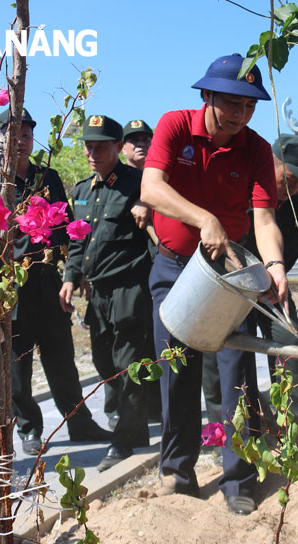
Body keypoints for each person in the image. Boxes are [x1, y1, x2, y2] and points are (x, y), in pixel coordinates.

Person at [140, 53, 288, 516]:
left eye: (250, 106)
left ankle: (237, 478)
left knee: (235, 376)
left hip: (229, 274)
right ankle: (178, 473)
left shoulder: (258, 150)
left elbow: (263, 218)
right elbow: (150, 188)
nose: (241, 114)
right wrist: (203, 218)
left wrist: (275, 264)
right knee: (176, 373)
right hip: (173, 268)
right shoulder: (175, 127)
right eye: (232, 103)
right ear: (207, 95)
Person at [0, 109, 112, 455]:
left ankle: (79, 422)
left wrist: (72, 274)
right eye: (13, 135)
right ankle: (29, 429)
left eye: (26, 135)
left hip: (49, 284)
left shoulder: (47, 176)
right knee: (18, 369)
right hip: (12, 288)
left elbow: (66, 228)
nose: (20, 142)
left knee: (62, 359)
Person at [202, 133, 298, 442]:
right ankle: (229, 433)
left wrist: (273, 279)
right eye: (289, 178)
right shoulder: (236, 184)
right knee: (219, 354)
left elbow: (291, 249)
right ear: (270, 162)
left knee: (291, 346)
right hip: (224, 286)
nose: (295, 187)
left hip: (269, 286)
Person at [59, 114, 155, 471]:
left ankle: (124, 439)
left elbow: (160, 228)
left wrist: (150, 208)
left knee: (128, 364)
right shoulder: (82, 190)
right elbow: (76, 240)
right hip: (96, 291)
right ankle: (131, 426)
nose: (92, 152)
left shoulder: (139, 184)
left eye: (101, 146)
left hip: (130, 287)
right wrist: (70, 277)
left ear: (118, 147)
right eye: (88, 146)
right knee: (103, 362)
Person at [121, 119, 162, 424]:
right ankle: (129, 409)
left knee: (158, 342)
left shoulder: (163, 177)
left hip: (158, 270)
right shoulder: (115, 180)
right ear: (121, 147)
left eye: (146, 139)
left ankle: (159, 407)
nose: (141, 145)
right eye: (133, 140)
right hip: (127, 279)